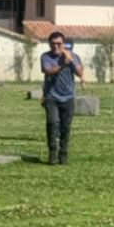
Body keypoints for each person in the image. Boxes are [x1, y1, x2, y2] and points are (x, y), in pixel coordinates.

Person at [40, 30, 85, 166]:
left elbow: (80, 72)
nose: (56, 46)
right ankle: (52, 153)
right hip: (51, 96)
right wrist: (63, 64)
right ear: (49, 44)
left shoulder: (72, 56)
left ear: (63, 43)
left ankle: (63, 154)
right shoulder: (45, 57)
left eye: (59, 43)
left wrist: (71, 61)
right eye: (53, 44)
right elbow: (48, 71)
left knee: (65, 127)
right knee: (52, 123)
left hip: (68, 97)